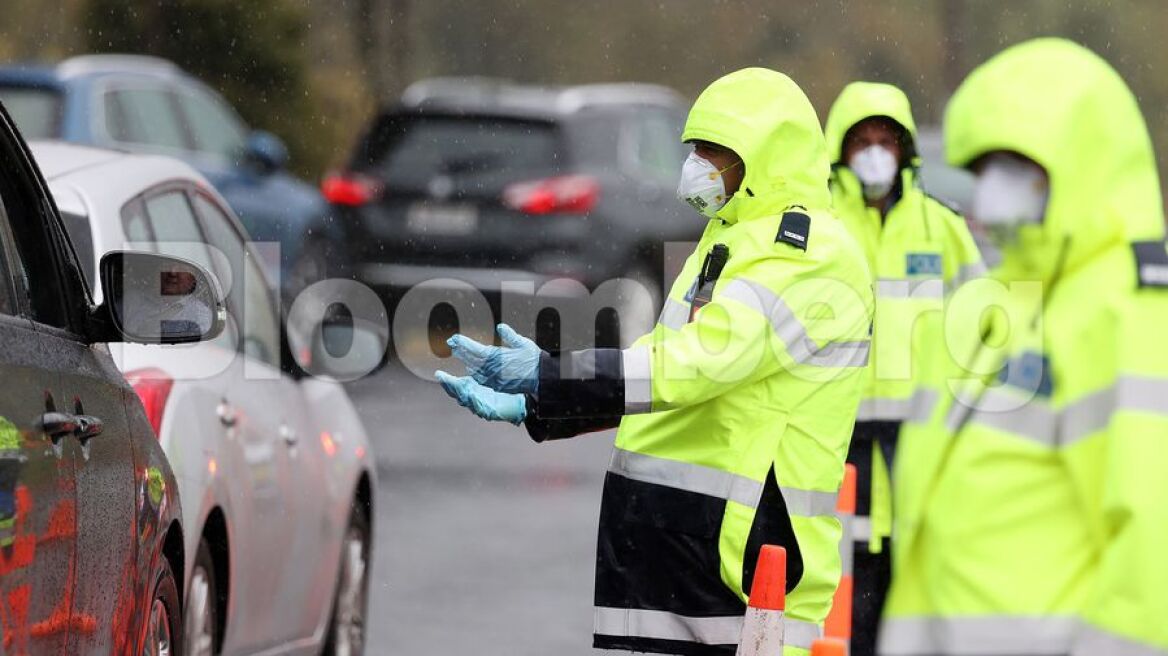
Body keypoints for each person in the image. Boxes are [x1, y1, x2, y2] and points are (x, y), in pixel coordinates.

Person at [436, 67, 874, 656]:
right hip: (673, 546)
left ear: (769, 158)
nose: (699, 166)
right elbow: (664, 365)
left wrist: (553, 376)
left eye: (717, 153)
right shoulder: (729, 238)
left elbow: (698, 365)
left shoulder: (809, 253)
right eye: (696, 150)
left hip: (741, 567)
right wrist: (543, 406)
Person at [879, 38, 1168, 655]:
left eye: (1016, 168)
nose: (991, 194)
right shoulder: (995, 307)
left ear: (1079, 163)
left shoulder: (1129, 313)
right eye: (984, 171)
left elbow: (1151, 554)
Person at [820, 82, 983, 656]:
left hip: (919, 442)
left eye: (885, 141)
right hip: (831, 441)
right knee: (831, 585)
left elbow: (983, 330)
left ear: (905, 149)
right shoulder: (818, 226)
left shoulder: (943, 227)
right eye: (860, 141)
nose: (873, 153)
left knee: (908, 581)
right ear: (839, 151)